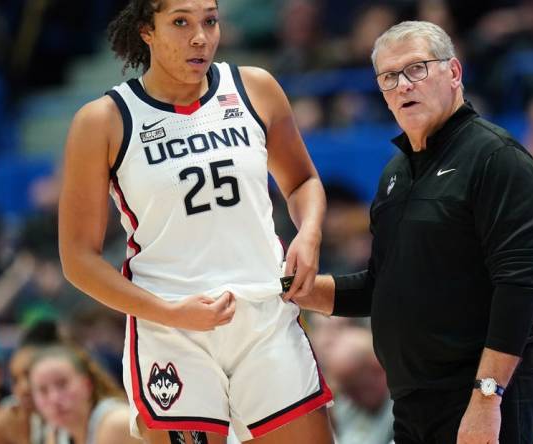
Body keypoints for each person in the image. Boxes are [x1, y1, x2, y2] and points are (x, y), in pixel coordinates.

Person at [57, 1, 333, 443]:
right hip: (171, 327)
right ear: (147, 30)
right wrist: (168, 312)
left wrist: (310, 233)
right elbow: (77, 259)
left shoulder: (255, 88)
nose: (200, 36)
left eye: (209, 20)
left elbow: (302, 182)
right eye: (181, 22)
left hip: (263, 313)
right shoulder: (103, 121)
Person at [291, 20, 533, 444]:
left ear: (453, 73)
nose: (403, 85)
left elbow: (518, 288)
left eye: (416, 69)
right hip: (413, 401)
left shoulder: (496, 158)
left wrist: (488, 398)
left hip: (481, 395)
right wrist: (302, 289)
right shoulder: (395, 174)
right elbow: (382, 287)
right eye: (389, 77)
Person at [28, 345, 138, 444]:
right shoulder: (56, 432)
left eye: (62, 384)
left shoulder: (116, 423)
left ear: (87, 384)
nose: (54, 398)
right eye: (43, 390)